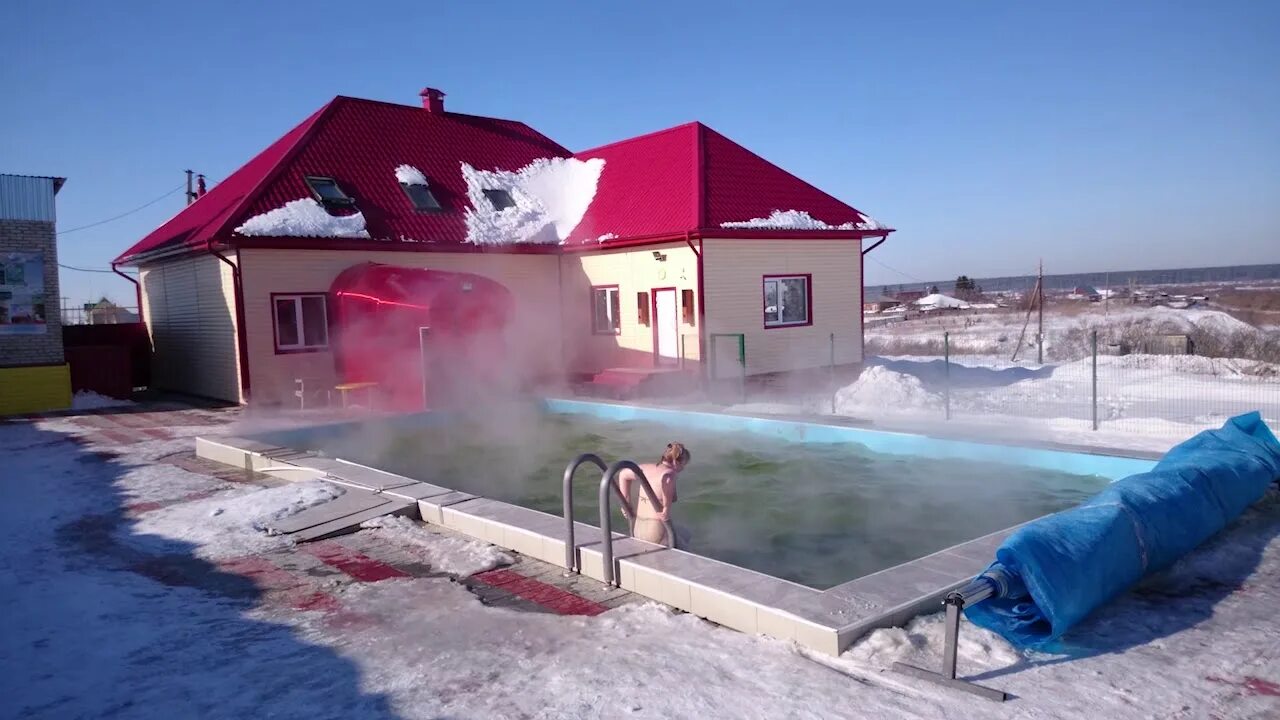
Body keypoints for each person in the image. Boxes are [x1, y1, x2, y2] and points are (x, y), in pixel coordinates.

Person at [618, 442, 690, 546]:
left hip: (638, 527)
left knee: (685, 532)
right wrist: (666, 510)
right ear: (676, 462)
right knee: (684, 546)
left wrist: (625, 503)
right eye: (683, 464)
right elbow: (667, 480)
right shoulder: (670, 473)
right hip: (655, 531)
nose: (683, 468)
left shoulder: (646, 468)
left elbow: (623, 474)